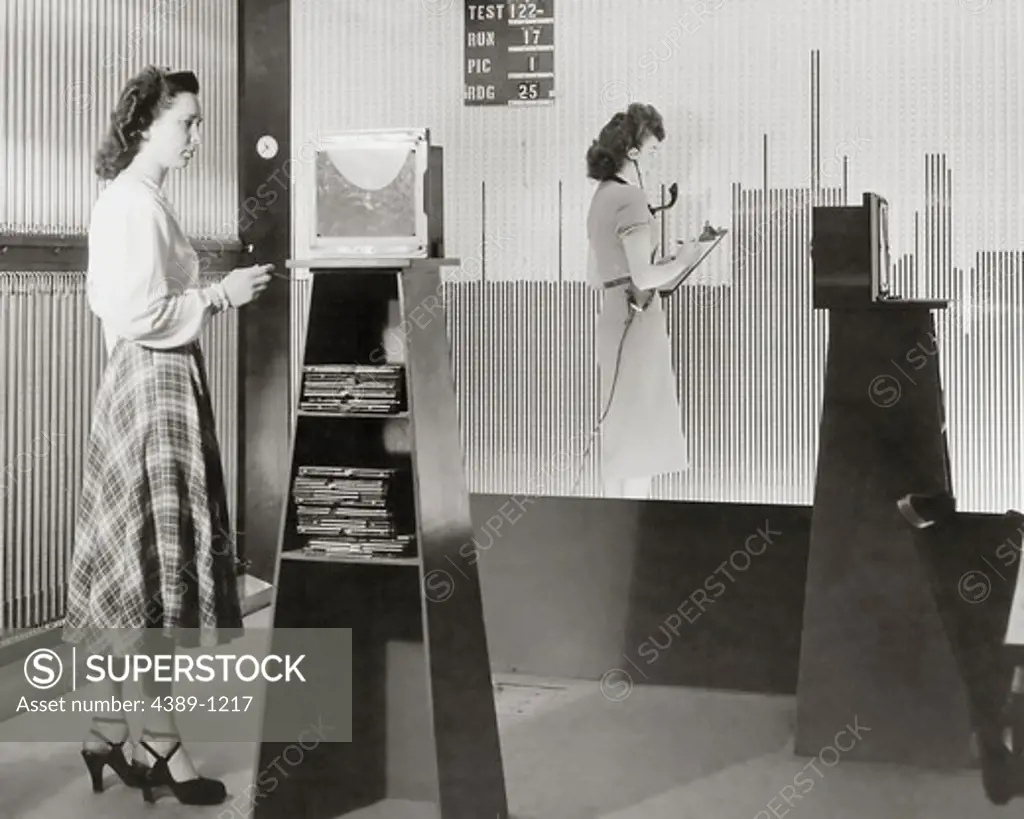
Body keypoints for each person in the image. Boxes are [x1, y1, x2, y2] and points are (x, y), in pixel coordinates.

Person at [62, 65, 273, 806]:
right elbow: (138, 312)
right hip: (151, 391)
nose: (196, 135)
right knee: (153, 575)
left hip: (156, 387)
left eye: (196, 122)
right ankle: (162, 743)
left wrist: (208, 296)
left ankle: (109, 732)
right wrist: (220, 294)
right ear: (147, 123)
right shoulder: (127, 205)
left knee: (145, 566)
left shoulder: (142, 201)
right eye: (187, 121)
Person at [585, 102, 694, 499]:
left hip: (613, 317)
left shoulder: (602, 196)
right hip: (638, 321)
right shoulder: (631, 199)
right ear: (633, 152)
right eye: (652, 151)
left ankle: (613, 524)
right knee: (643, 434)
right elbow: (645, 277)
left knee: (619, 430)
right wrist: (683, 259)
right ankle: (634, 527)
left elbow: (608, 271)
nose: (654, 158)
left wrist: (653, 266)